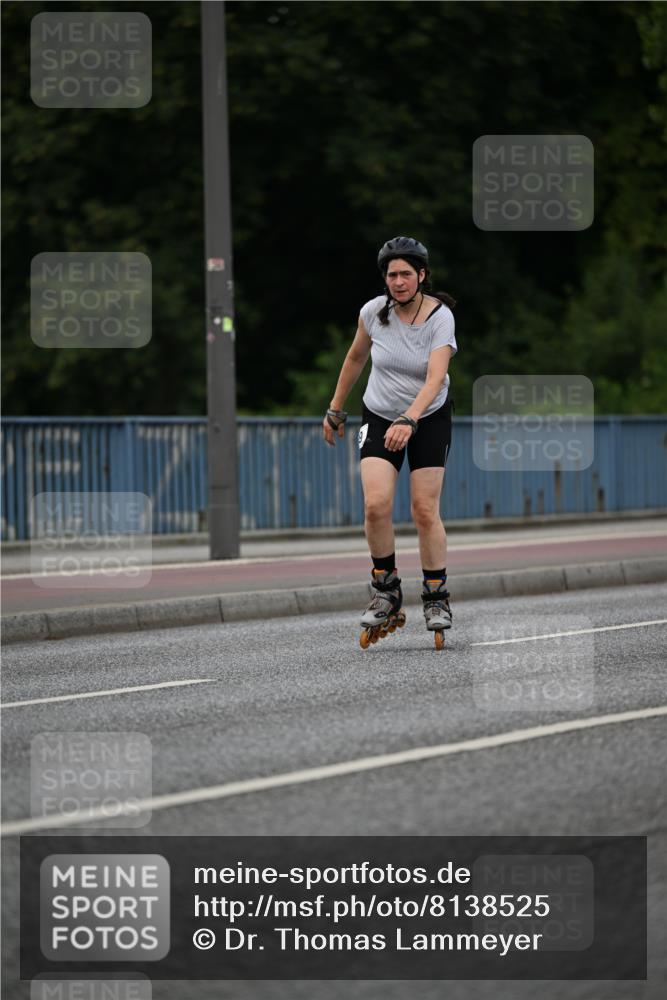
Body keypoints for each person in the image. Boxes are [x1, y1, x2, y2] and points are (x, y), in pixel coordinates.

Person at [323, 236, 458, 649]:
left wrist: (410, 418)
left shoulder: (440, 317)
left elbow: (435, 377)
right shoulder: (373, 313)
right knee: (375, 504)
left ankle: (435, 597)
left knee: (423, 509)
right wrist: (335, 407)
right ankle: (386, 589)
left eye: (405, 274)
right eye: (391, 274)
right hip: (380, 415)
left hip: (428, 416)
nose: (398, 281)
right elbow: (355, 358)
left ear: (422, 275)